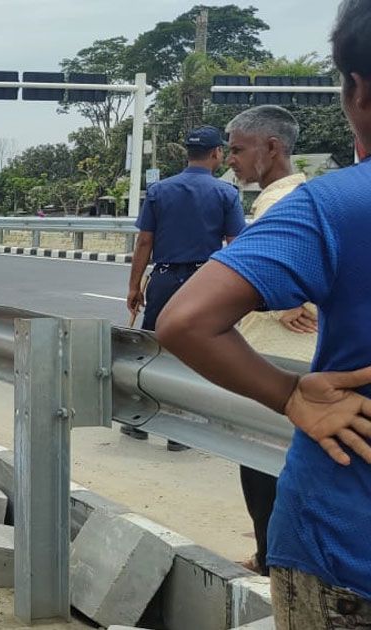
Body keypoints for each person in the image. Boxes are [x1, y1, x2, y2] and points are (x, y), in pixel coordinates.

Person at [158, 3, 371, 625]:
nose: (233, 159)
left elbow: (185, 321)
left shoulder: (330, 205)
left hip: (347, 541)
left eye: (241, 148)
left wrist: (286, 396)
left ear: (355, 89)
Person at [224, 104, 316, 577]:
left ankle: (269, 560)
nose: (231, 160)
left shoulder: (282, 203)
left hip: (276, 362)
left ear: (272, 147)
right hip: (295, 357)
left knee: (261, 468)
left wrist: (274, 298)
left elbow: (242, 283)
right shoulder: (306, 195)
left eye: (238, 149)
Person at [124, 125, 246, 448]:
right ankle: (181, 430)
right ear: (217, 153)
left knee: (151, 349)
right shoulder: (226, 194)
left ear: (188, 154)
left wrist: (134, 286)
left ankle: (138, 420)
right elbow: (236, 246)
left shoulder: (159, 191)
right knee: (196, 351)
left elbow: (144, 242)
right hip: (205, 281)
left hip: (163, 279)